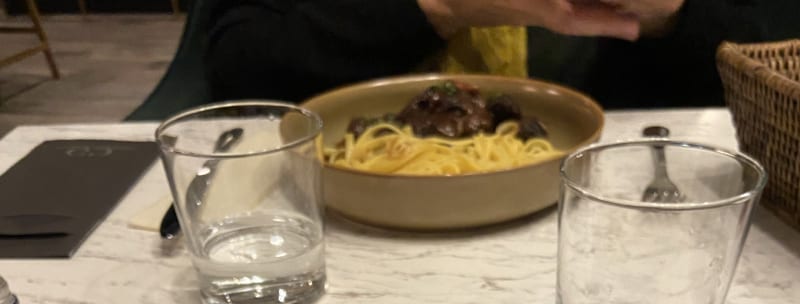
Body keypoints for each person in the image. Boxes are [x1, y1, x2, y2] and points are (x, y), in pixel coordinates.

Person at [204, 0, 800, 110]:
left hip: (604, 209)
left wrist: (675, 14)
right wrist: (438, 7)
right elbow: (240, 61)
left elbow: (773, 71)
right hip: (352, 203)